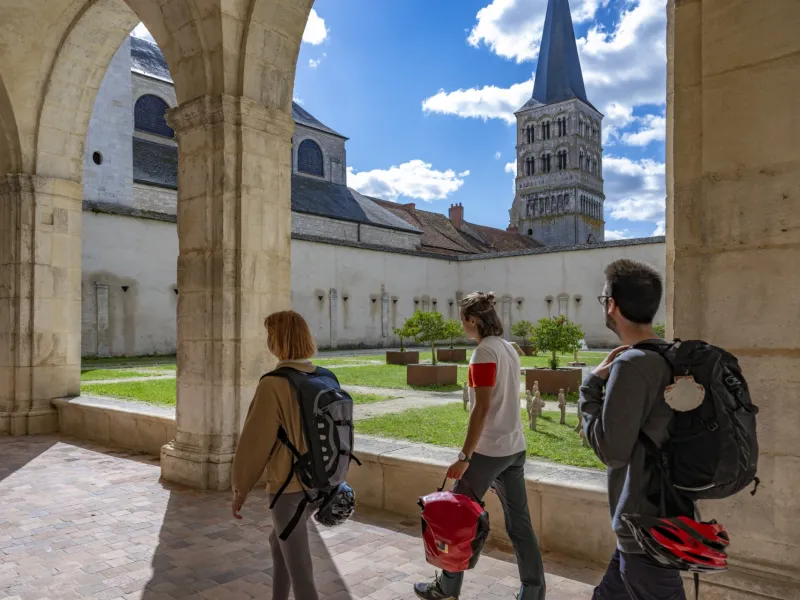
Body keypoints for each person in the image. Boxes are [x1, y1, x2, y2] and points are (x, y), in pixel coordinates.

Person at [414, 292, 546, 600]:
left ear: (473, 321)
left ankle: (447, 588)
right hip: (514, 447)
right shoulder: (508, 348)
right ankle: (534, 592)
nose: (462, 326)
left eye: (463, 320)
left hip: (489, 451)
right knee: (520, 526)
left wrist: (464, 456)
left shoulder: (485, 352)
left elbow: (481, 408)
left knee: (453, 517)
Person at [580, 259, 685, 600]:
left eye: (602, 301)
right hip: (667, 513)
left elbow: (612, 450)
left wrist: (590, 389)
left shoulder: (633, 364)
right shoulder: (673, 355)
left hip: (645, 527)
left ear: (612, 305)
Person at [230, 310, 322, 600]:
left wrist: (239, 491)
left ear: (278, 341)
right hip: (322, 482)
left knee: (302, 574)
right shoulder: (324, 376)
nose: (267, 341)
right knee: (279, 542)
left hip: (289, 487)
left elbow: (253, 444)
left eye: (270, 335)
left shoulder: (274, 383)